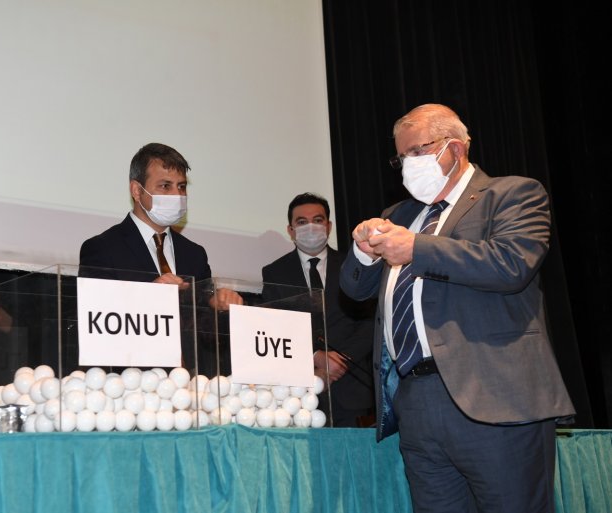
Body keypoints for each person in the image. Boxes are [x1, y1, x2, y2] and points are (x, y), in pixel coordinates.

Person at [340, 104, 575, 512]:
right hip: (416, 401)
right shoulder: (398, 216)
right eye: (401, 157)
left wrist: (417, 249)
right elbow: (355, 290)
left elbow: (511, 265)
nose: (407, 164)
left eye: (417, 151)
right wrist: (363, 251)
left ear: (455, 148)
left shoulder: (512, 194)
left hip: (495, 398)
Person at [79, 142, 242, 375]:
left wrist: (220, 307)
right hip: (132, 382)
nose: (177, 195)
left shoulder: (194, 254)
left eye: (181, 187)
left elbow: (207, 336)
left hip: (190, 384)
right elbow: (95, 325)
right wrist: (148, 297)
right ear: (137, 191)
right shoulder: (102, 248)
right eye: (165, 186)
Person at [262, 193, 375, 427]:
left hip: (351, 388)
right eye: (302, 222)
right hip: (297, 395)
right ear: (291, 230)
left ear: (329, 226)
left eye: (318, 220)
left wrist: (341, 361)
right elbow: (274, 328)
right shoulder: (274, 272)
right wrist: (315, 356)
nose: (311, 227)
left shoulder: (353, 265)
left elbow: (370, 323)